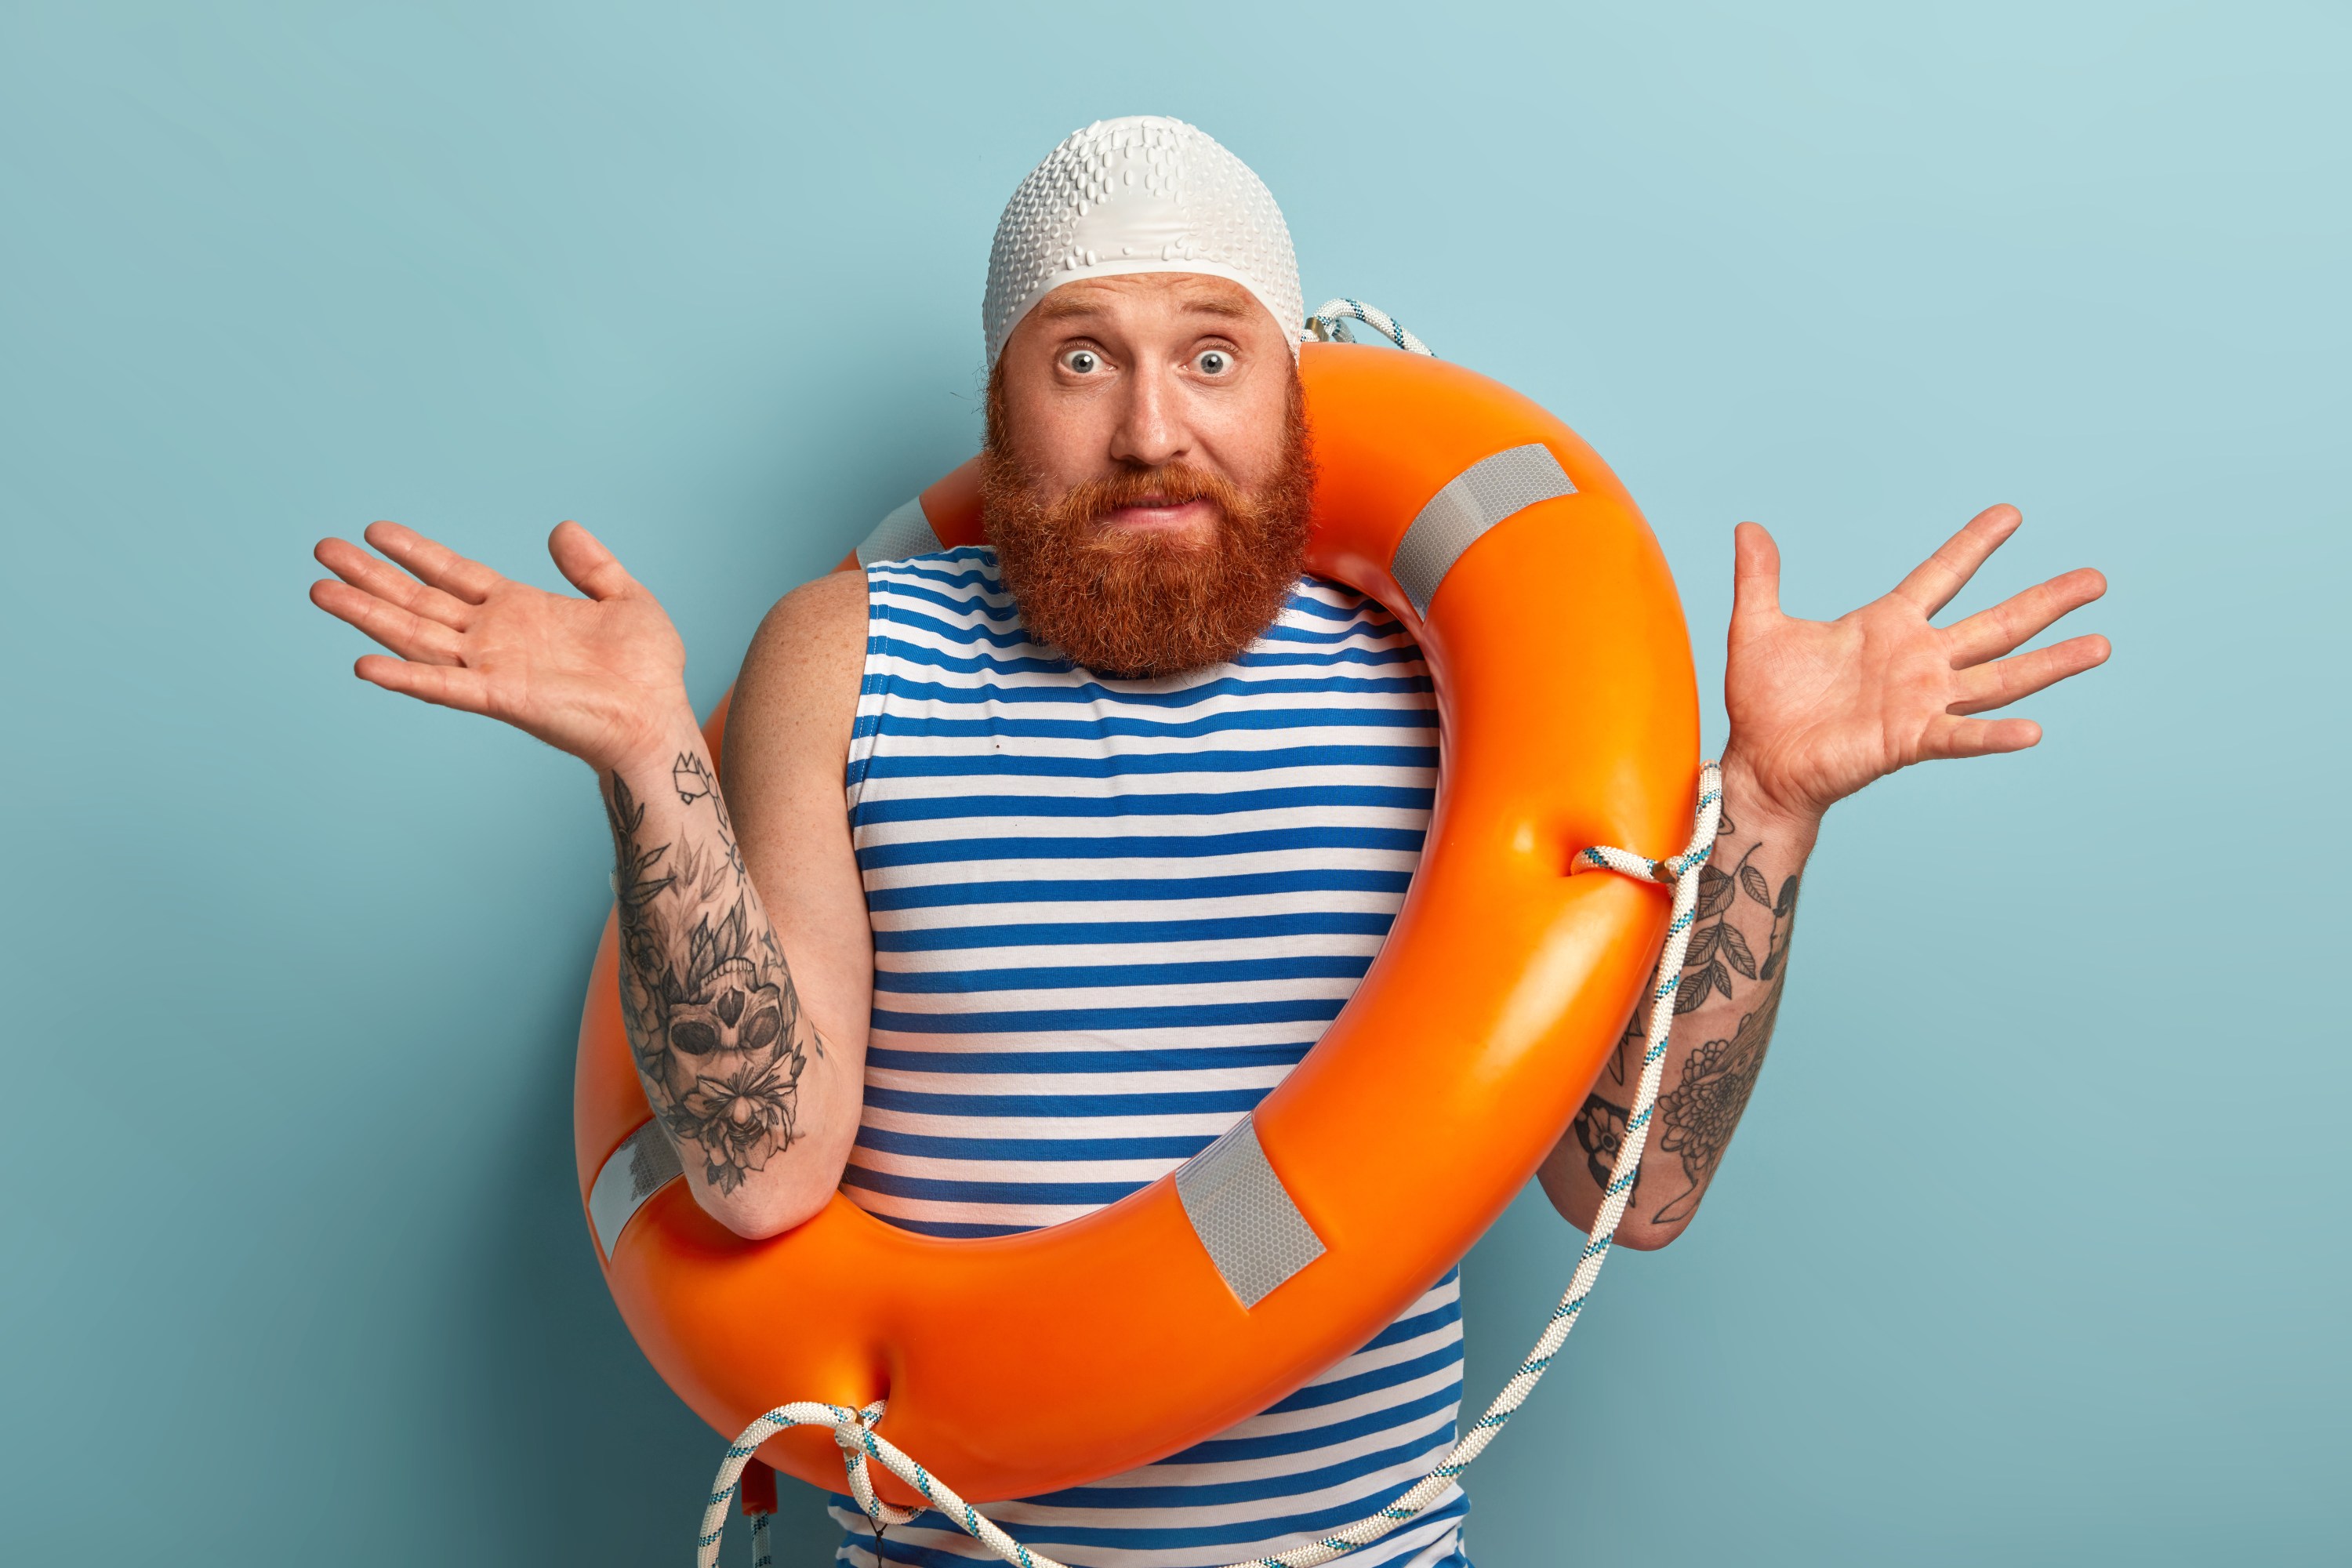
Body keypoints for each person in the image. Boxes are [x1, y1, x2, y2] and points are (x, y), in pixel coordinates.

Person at [307, 116, 2110, 1567]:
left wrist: (1773, 814)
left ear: (1298, 397)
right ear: (1004, 404)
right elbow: (764, 1174)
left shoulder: (1446, 682)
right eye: (1082, 358)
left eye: (1211, 353)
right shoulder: (845, 649)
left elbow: (1627, 1192)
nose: (1151, 428)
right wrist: (644, 757)